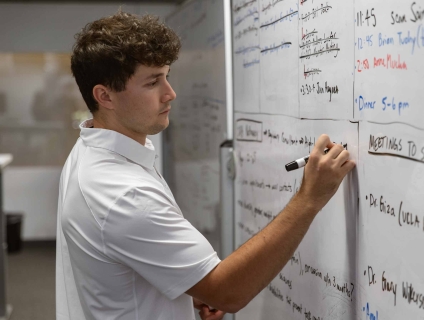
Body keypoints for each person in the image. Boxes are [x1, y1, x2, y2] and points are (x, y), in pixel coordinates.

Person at [56, 10, 355, 320]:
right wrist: (308, 199)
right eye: (152, 82)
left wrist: (188, 290)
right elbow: (228, 292)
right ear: (105, 96)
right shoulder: (122, 192)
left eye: (167, 76)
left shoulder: (90, 148)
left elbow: (124, 261)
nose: (170, 93)